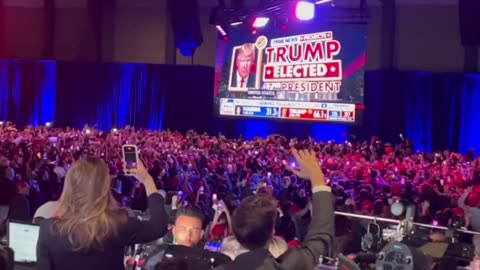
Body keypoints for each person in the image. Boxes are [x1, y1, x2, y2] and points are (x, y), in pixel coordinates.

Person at [36, 157, 168, 270]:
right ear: (104, 188)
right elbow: (158, 226)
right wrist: (147, 179)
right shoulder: (118, 224)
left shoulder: (48, 228)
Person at [213, 148, 334, 270]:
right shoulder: (291, 266)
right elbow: (320, 239)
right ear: (272, 233)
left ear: (234, 232)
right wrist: (316, 176)